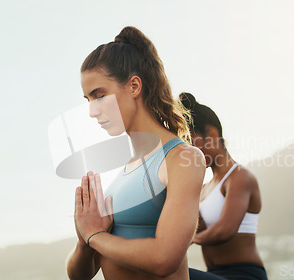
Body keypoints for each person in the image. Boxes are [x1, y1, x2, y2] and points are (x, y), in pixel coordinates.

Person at [66, 26, 206, 280]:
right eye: (88, 99)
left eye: (99, 96)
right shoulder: (123, 173)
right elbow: (79, 276)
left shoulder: (182, 159)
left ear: (133, 86)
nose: (92, 111)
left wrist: (95, 236)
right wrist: (83, 238)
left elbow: (165, 259)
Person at [180, 93, 268, 280]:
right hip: (215, 274)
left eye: (193, 144)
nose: (190, 153)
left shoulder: (239, 177)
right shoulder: (204, 188)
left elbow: (224, 230)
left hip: (244, 275)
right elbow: (191, 229)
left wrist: (189, 239)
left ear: (211, 135)